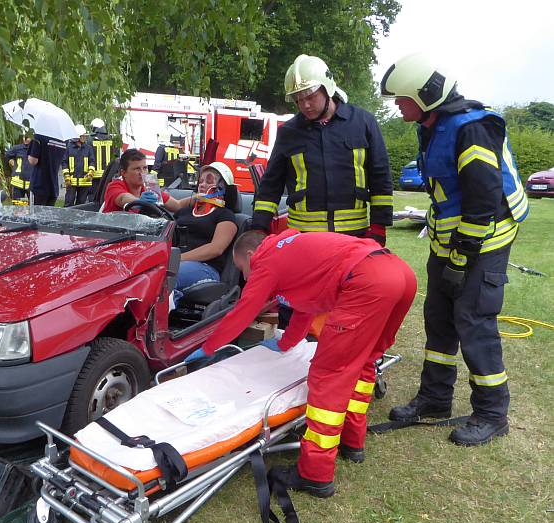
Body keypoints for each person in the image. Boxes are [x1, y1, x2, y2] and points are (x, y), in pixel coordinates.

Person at [186, 229, 417, 496]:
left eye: (243, 269)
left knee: (329, 375)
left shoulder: (266, 260)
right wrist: (286, 343)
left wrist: (207, 347)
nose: (246, 277)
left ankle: (315, 474)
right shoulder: (291, 250)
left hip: (368, 280)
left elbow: (244, 311)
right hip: (399, 273)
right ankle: (352, 442)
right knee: (364, 362)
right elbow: (308, 305)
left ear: (251, 255)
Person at [380, 52, 529, 446]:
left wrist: (462, 258)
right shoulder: (434, 125)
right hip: (451, 242)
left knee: (474, 322)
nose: (396, 104)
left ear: (423, 97)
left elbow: (482, 200)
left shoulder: (472, 130)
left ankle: (492, 413)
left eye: (401, 98)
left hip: (483, 241)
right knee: (440, 317)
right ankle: (434, 398)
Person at [251, 54, 393, 244]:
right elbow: (271, 184)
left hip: (353, 235)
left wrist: (378, 226)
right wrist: (259, 227)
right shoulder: (289, 132)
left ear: (327, 89)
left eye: (310, 97)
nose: (305, 105)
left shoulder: (363, 122)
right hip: (303, 238)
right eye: (298, 100)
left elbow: (380, 176)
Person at [172, 162, 239, 305]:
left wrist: (176, 259)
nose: (202, 185)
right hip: (174, 263)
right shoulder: (183, 212)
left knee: (165, 275)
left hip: (206, 268)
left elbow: (216, 249)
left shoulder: (225, 215)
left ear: (223, 187)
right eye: (200, 181)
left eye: (208, 181)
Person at [103, 148, 192, 213]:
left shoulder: (150, 188)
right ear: (124, 173)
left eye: (145, 168)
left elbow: (178, 205)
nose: (142, 173)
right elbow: (123, 199)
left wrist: (197, 198)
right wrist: (138, 202)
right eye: (137, 169)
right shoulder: (114, 186)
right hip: (112, 235)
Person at [27, 132, 67, 206]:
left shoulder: (38, 136)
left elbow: (33, 161)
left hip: (39, 186)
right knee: (48, 215)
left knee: (35, 215)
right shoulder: (63, 140)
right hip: (53, 186)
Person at [62, 125, 96, 207]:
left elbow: (92, 161)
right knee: (69, 203)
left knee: (81, 205)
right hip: (72, 182)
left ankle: (79, 220)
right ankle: (67, 219)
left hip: (85, 181)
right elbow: (64, 162)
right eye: (83, 136)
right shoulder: (69, 148)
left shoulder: (88, 148)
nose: (85, 137)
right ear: (77, 137)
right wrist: (67, 176)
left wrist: (90, 173)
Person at [5, 133, 34, 204]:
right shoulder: (17, 148)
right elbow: (7, 156)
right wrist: (11, 162)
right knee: (18, 207)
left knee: (33, 207)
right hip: (18, 183)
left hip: (31, 184)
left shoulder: (36, 150)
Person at [89, 118, 114, 202]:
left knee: (93, 196)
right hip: (108, 173)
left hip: (94, 173)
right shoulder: (111, 139)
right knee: (105, 195)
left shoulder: (90, 140)